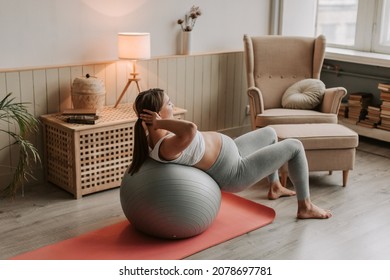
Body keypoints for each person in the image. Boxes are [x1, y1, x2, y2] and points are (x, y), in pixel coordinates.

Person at [129, 88, 332, 219]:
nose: (173, 105)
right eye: (169, 103)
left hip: (233, 151)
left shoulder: (156, 137)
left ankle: (275, 186)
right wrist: (158, 123)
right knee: (295, 145)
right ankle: (305, 206)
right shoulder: (165, 145)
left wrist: (157, 123)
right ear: (157, 114)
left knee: (270, 132)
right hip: (234, 172)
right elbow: (191, 128)